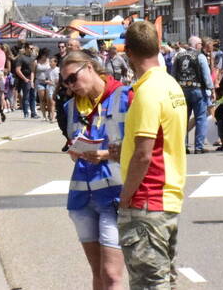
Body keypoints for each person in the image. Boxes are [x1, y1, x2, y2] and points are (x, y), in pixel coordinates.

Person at [118, 21, 187, 290]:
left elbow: (144, 155)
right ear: (158, 47)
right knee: (163, 281)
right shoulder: (171, 85)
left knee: (148, 283)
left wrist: (126, 196)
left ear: (129, 53)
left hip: (148, 197)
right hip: (168, 196)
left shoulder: (146, 92)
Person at [62, 51, 130, 290]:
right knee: (98, 273)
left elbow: (141, 146)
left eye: (73, 78)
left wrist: (105, 154)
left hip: (114, 196)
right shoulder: (70, 107)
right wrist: (75, 151)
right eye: (66, 82)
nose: (70, 86)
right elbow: (74, 143)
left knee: (111, 274)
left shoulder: (124, 96)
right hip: (83, 199)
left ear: (89, 68)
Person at [170, 36, 212, 154]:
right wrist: (211, 88)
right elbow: (206, 75)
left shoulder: (178, 56)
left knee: (183, 118)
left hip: (182, 90)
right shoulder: (200, 56)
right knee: (200, 118)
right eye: (200, 43)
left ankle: (183, 146)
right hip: (197, 89)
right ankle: (198, 147)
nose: (201, 45)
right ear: (196, 44)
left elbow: (173, 74)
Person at [13, 44, 37, 118]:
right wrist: (25, 79)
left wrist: (32, 80)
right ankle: (26, 112)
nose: (31, 50)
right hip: (24, 78)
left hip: (31, 78)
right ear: (26, 49)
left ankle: (33, 113)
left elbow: (33, 71)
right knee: (26, 96)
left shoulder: (32, 58)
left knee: (33, 96)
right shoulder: (21, 58)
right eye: (30, 48)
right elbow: (18, 70)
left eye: (32, 48)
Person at [34, 49, 56, 121]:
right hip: (40, 81)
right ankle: (44, 116)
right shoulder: (36, 61)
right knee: (42, 99)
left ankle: (50, 113)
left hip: (48, 82)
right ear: (41, 54)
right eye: (45, 55)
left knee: (49, 99)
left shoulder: (48, 61)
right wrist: (32, 81)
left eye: (47, 55)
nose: (46, 57)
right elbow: (33, 72)